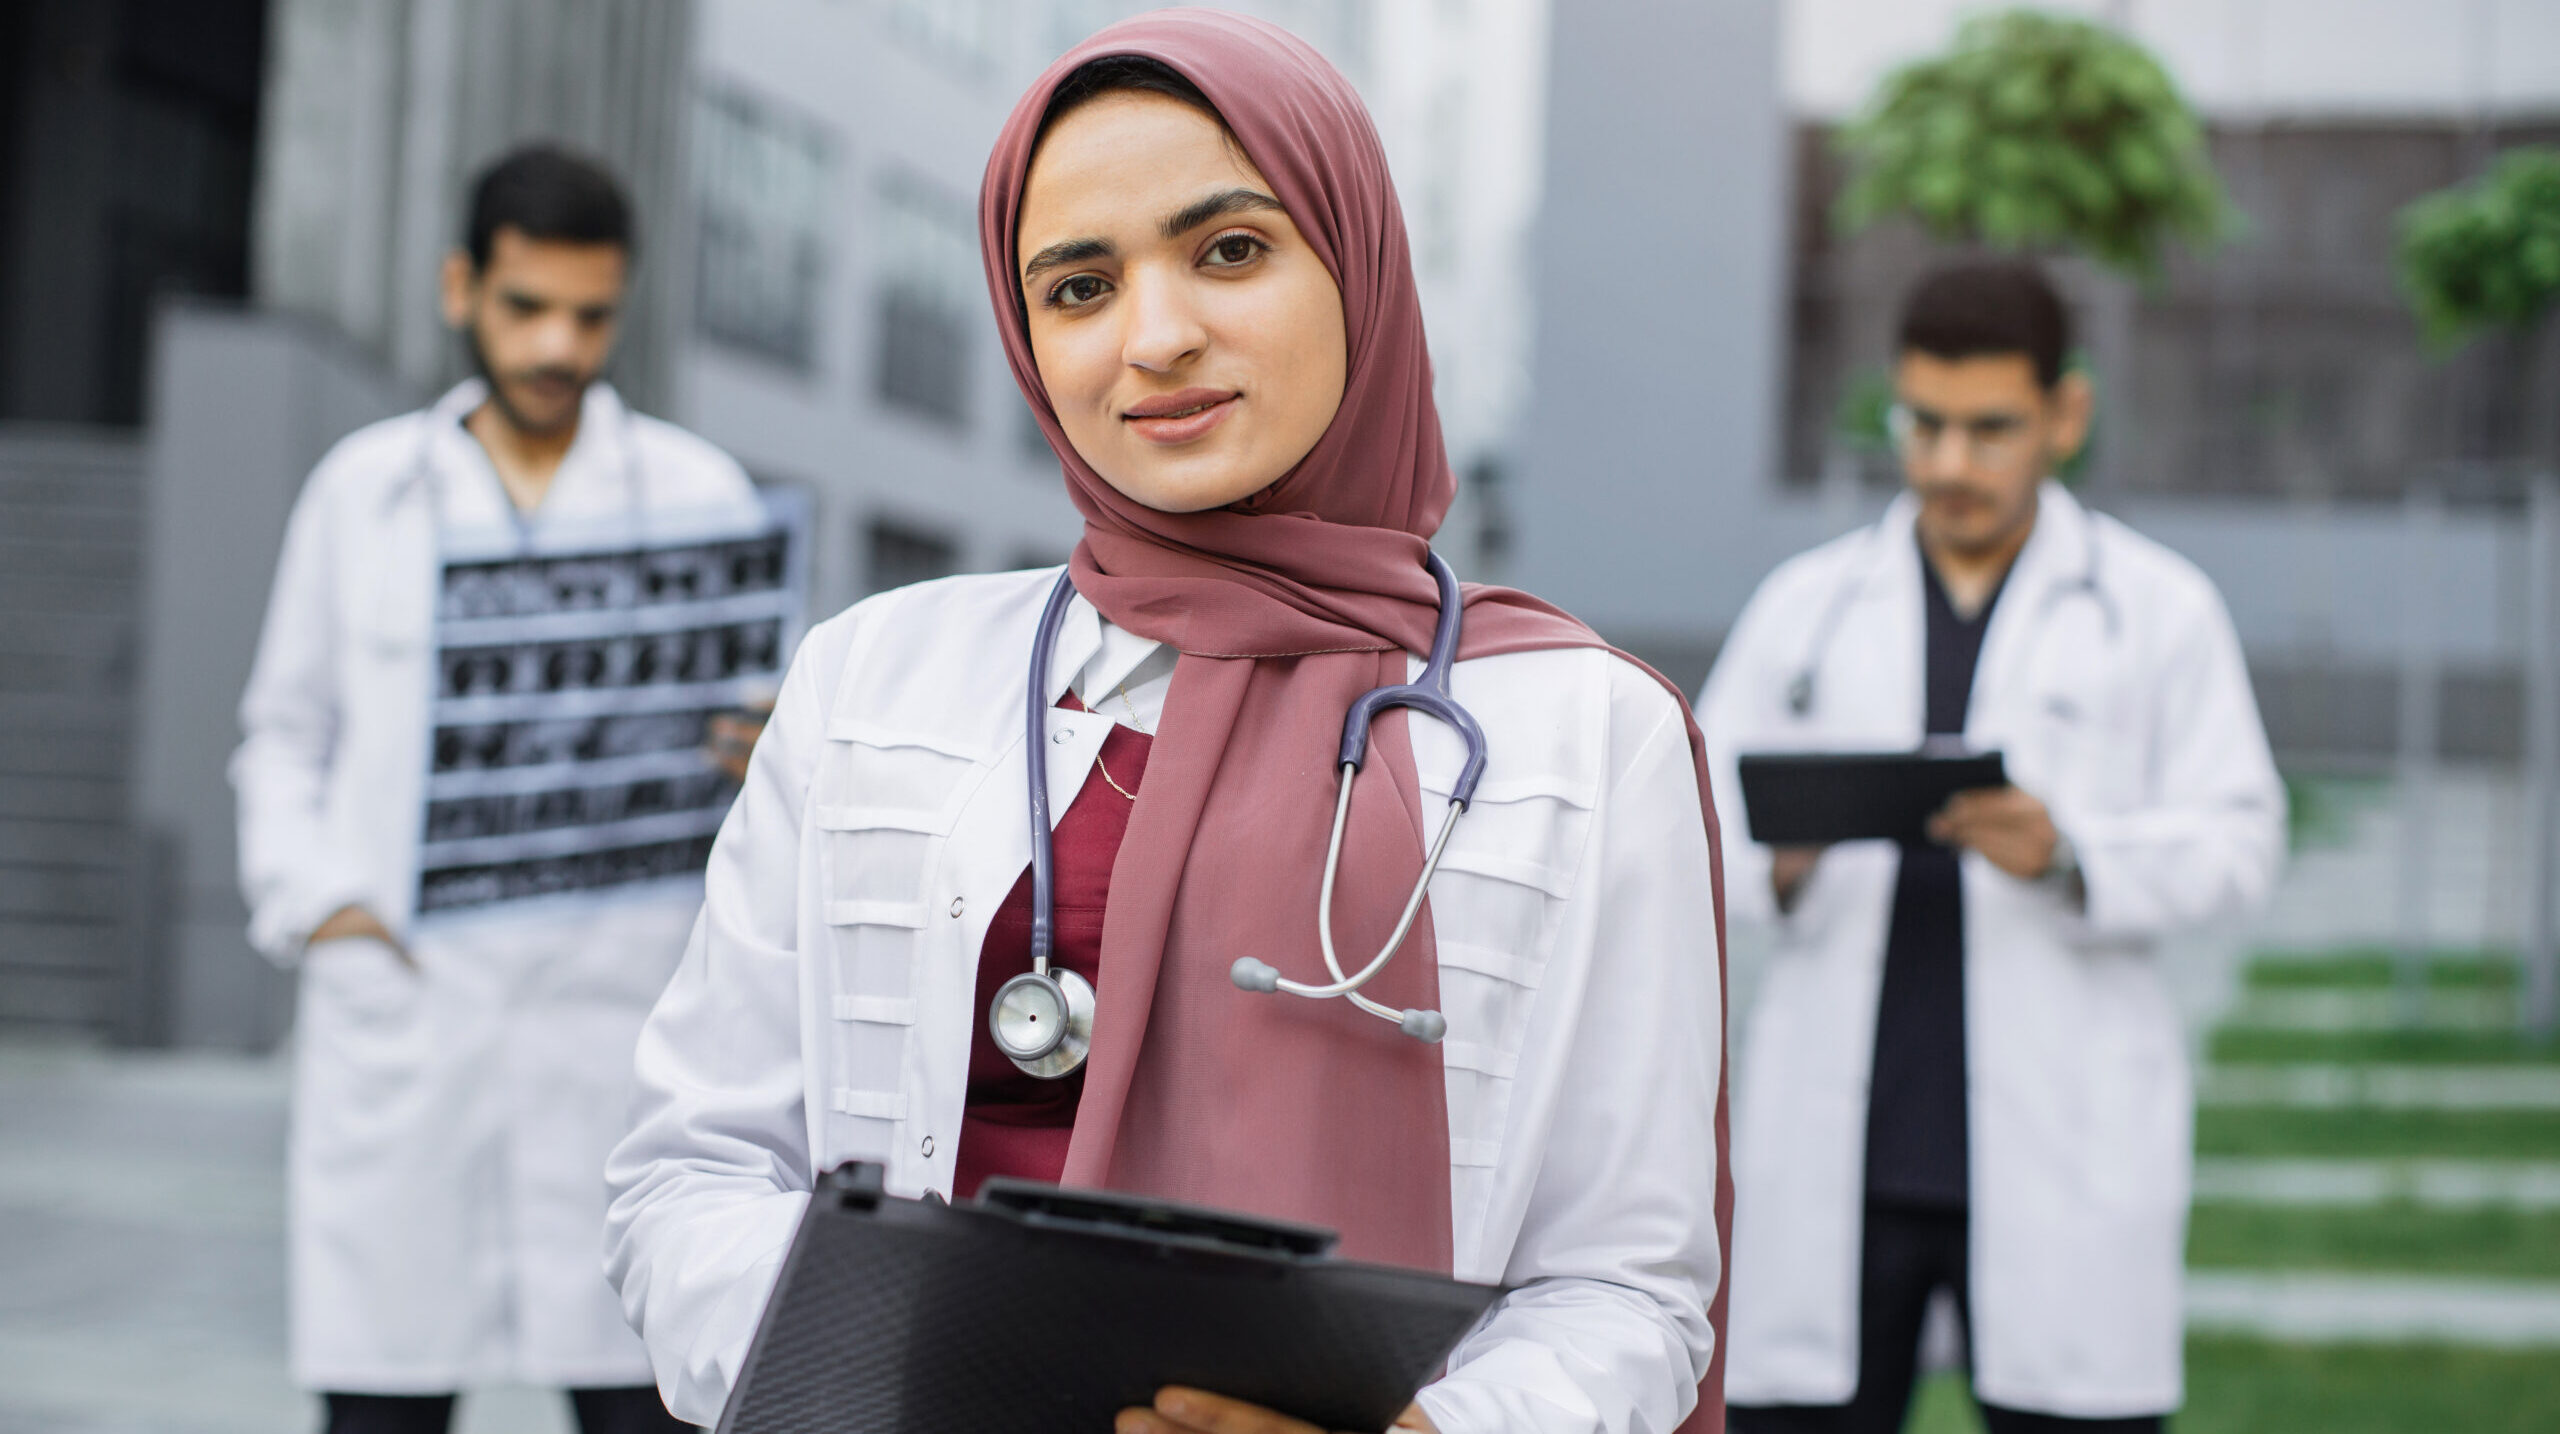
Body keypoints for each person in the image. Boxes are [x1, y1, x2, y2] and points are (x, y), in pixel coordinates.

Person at [603, 13, 1732, 1434]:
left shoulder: (1586, 730)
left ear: (1358, 260)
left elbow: (1626, 1284)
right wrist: (899, 1384)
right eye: (1078, 286)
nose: (1156, 336)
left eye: (1230, 250)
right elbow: (688, 1174)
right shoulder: (871, 677)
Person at [1699, 261, 2285, 1432]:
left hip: (2057, 1150)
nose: (1949, 464)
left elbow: (2241, 842)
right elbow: (1688, 833)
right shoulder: (1806, 607)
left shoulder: (2157, 611)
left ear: (2066, 415)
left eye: (1989, 429)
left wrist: (2071, 856)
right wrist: (1783, 852)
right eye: (1923, 424)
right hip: (1840, 1164)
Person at [233, 145, 765, 1434]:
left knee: (642, 1403)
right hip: (407, 1021)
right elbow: (282, 731)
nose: (558, 347)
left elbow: (763, 780)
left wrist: (761, 754)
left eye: (590, 316)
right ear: (458, 287)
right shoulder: (364, 493)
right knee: (383, 1409)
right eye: (526, 308)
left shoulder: (698, 495)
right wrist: (318, 907)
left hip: (617, 1029)